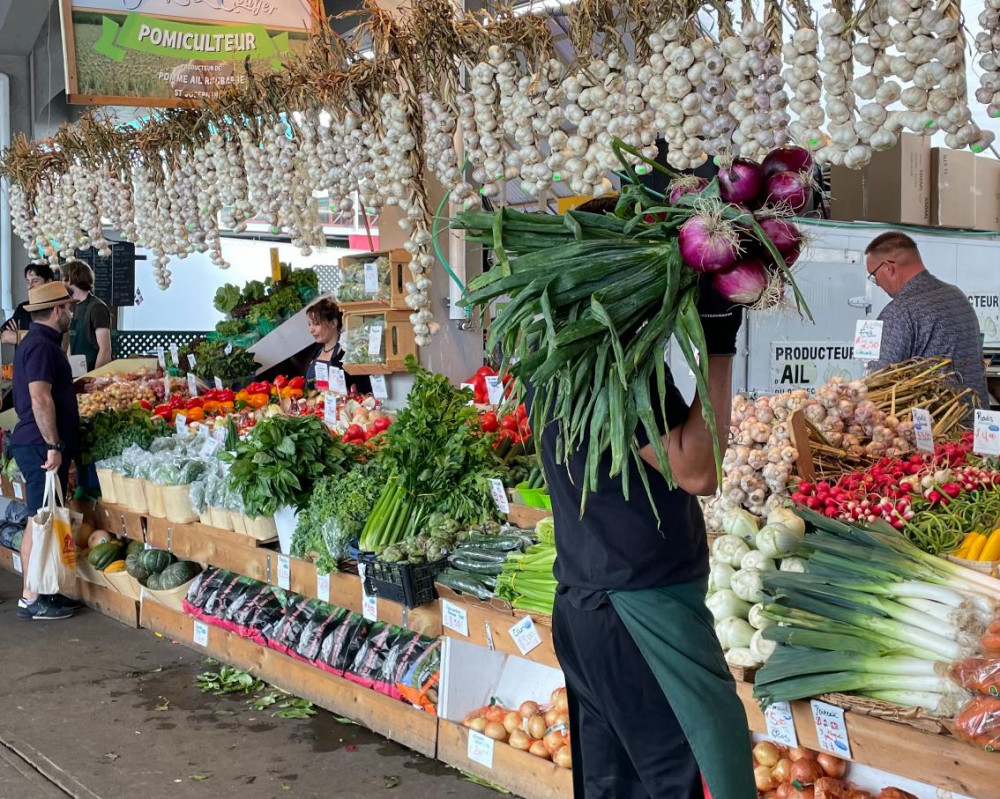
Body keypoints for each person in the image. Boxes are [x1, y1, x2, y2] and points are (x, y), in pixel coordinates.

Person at [531, 202, 754, 799]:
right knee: (707, 779)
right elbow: (697, 470)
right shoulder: (619, 367)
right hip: (641, 612)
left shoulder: (555, 359)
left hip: (585, 605)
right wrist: (719, 343)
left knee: (616, 787)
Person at [9, 283, 83, 620]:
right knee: (39, 521)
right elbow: (40, 398)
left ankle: (44, 593)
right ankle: (32, 598)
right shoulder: (40, 346)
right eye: (68, 307)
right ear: (56, 311)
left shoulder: (38, 344)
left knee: (41, 519)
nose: (70, 312)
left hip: (37, 442)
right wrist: (53, 445)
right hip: (39, 444)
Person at [864, 232, 990, 408]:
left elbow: (878, 381)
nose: (877, 284)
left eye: (873, 276)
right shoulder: (957, 296)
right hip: (975, 422)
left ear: (889, 268)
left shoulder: (899, 311)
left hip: (935, 426)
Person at [304, 297, 371, 395]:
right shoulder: (317, 350)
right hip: (316, 407)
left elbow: (362, 390)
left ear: (333, 323)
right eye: (309, 324)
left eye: (316, 324)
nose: (311, 330)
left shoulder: (347, 352)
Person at [62, 259, 112, 372]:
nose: (62, 284)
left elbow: (105, 349)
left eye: (63, 279)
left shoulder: (97, 308)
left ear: (71, 280)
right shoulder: (73, 306)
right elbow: (72, 342)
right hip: (77, 373)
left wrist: (94, 377)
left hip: (92, 374)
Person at [1, 264, 57, 345]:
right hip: (23, 357)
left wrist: (19, 336)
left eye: (35, 281)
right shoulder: (23, 308)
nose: (29, 286)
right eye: (28, 281)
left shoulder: (57, 307)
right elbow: (3, 335)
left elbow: (51, 338)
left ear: (48, 282)